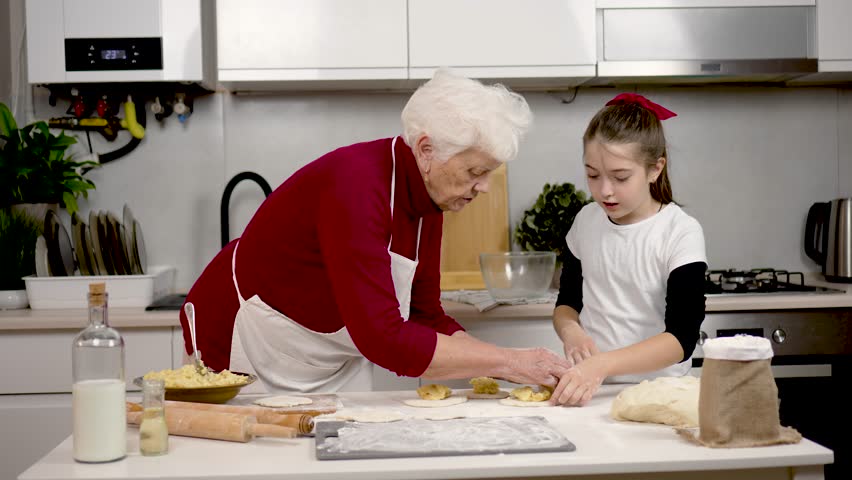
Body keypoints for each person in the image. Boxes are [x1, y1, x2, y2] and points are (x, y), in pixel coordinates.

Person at [180, 69, 573, 393]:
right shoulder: (356, 186)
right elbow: (381, 338)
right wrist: (509, 361)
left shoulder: (430, 198)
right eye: (475, 171)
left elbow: (425, 315)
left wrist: (511, 366)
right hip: (248, 342)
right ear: (425, 150)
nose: (484, 186)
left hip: (327, 358)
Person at [550, 93, 707, 407]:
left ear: (654, 169)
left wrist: (603, 363)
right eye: (593, 175)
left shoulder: (680, 232)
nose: (604, 190)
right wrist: (571, 331)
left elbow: (681, 339)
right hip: (592, 391)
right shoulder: (585, 221)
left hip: (661, 395)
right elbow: (567, 303)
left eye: (620, 177)